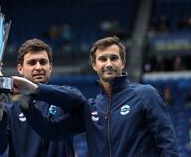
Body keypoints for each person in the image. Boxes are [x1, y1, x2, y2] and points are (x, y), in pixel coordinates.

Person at [13, 36, 178, 156]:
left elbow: (168, 144)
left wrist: (36, 89)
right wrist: (27, 106)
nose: (108, 64)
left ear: (123, 63)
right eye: (102, 59)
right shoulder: (90, 108)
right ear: (94, 65)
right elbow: (52, 132)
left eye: (114, 58)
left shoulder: (145, 94)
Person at [0, 38, 85, 157]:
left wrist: (35, 89)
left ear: (50, 67)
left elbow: (78, 100)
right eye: (32, 63)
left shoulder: (63, 98)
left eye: (43, 62)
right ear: (20, 68)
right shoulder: (9, 108)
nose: (38, 67)